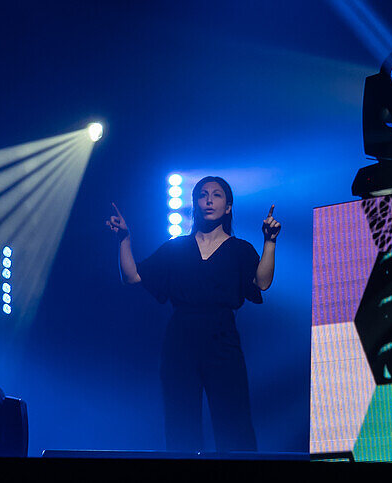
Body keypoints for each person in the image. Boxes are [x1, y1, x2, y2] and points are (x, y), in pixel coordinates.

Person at [106, 176, 281, 453]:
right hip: (180, 342)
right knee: (180, 425)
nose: (209, 200)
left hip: (222, 341)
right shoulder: (176, 248)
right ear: (194, 204)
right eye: (203, 195)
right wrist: (124, 239)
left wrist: (269, 241)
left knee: (233, 423)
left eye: (217, 195)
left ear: (228, 207)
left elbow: (262, 282)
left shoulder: (240, 249)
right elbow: (132, 277)